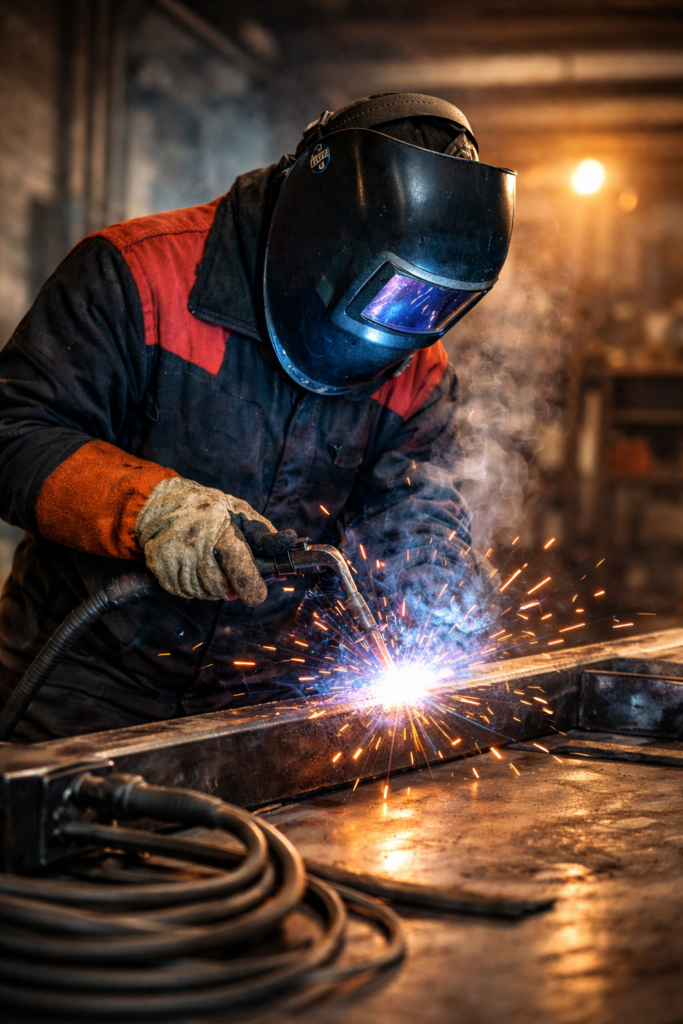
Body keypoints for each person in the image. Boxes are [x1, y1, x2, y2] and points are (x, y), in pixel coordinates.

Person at [0, 93, 515, 741]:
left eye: (428, 305)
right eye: (389, 290)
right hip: (81, 687)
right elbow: (14, 430)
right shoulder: (138, 274)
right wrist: (152, 511)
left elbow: (411, 511)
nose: (402, 322)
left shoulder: (418, 365)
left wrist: (433, 589)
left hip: (262, 703)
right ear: (320, 233)